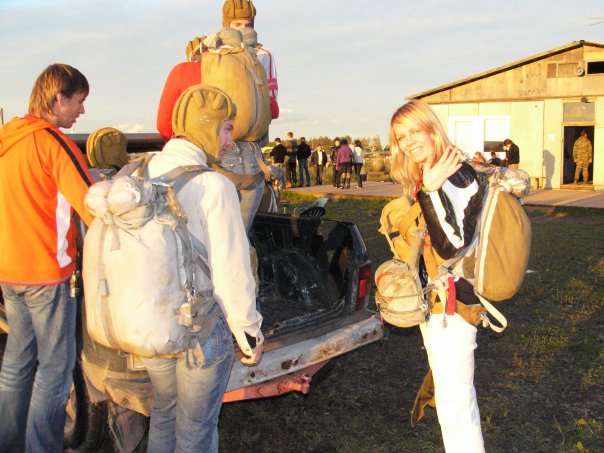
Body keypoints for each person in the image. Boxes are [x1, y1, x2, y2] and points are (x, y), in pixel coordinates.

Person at [143, 84, 263, 452]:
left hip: (153, 326)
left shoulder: (142, 173)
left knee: (164, 413)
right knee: (197, 430)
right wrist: (249, 332)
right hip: (200, 331)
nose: (230, 140)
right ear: (205, 125)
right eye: (226, 129)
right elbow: (231, 271)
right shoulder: (213, 185)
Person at [0, 63, 95, 452]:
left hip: (10, 271)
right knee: (55, 370)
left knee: (17, 363)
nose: (82, 111)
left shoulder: (8, 140)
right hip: (48, 274)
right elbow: (92, 205)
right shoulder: (53, 143)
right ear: (58, 99)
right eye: (79, 101)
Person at [389, 99, 487, 452]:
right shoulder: (441, 170)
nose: (408, 142)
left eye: (415, 131)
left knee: (455, 403)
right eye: (401, 136)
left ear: (432, 129)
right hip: (442, 302)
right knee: (453, 397)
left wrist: (428, 191)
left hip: (454, 305)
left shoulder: (454, 175)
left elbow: (450, 246)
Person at [156, 0, 279, 234]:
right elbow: (273, 111)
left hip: (213, 167)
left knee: (208, 238)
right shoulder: (255, 63)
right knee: (240, 238)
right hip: (252, 171)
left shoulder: (185, 71)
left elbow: (163, 125)